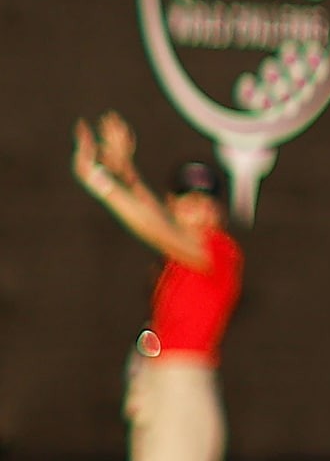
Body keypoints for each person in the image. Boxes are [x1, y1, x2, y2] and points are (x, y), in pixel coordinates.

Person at [71, 112, 243, 461]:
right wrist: (127, 175)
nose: (196, 211)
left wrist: (102, 183)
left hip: (183, 388)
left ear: (219, 213)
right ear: (173, 205)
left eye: (205, 202)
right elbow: (162, 227)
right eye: (187, 200)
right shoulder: (179, 253)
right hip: (159, 384)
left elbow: (157, 230)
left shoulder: (219, 250)